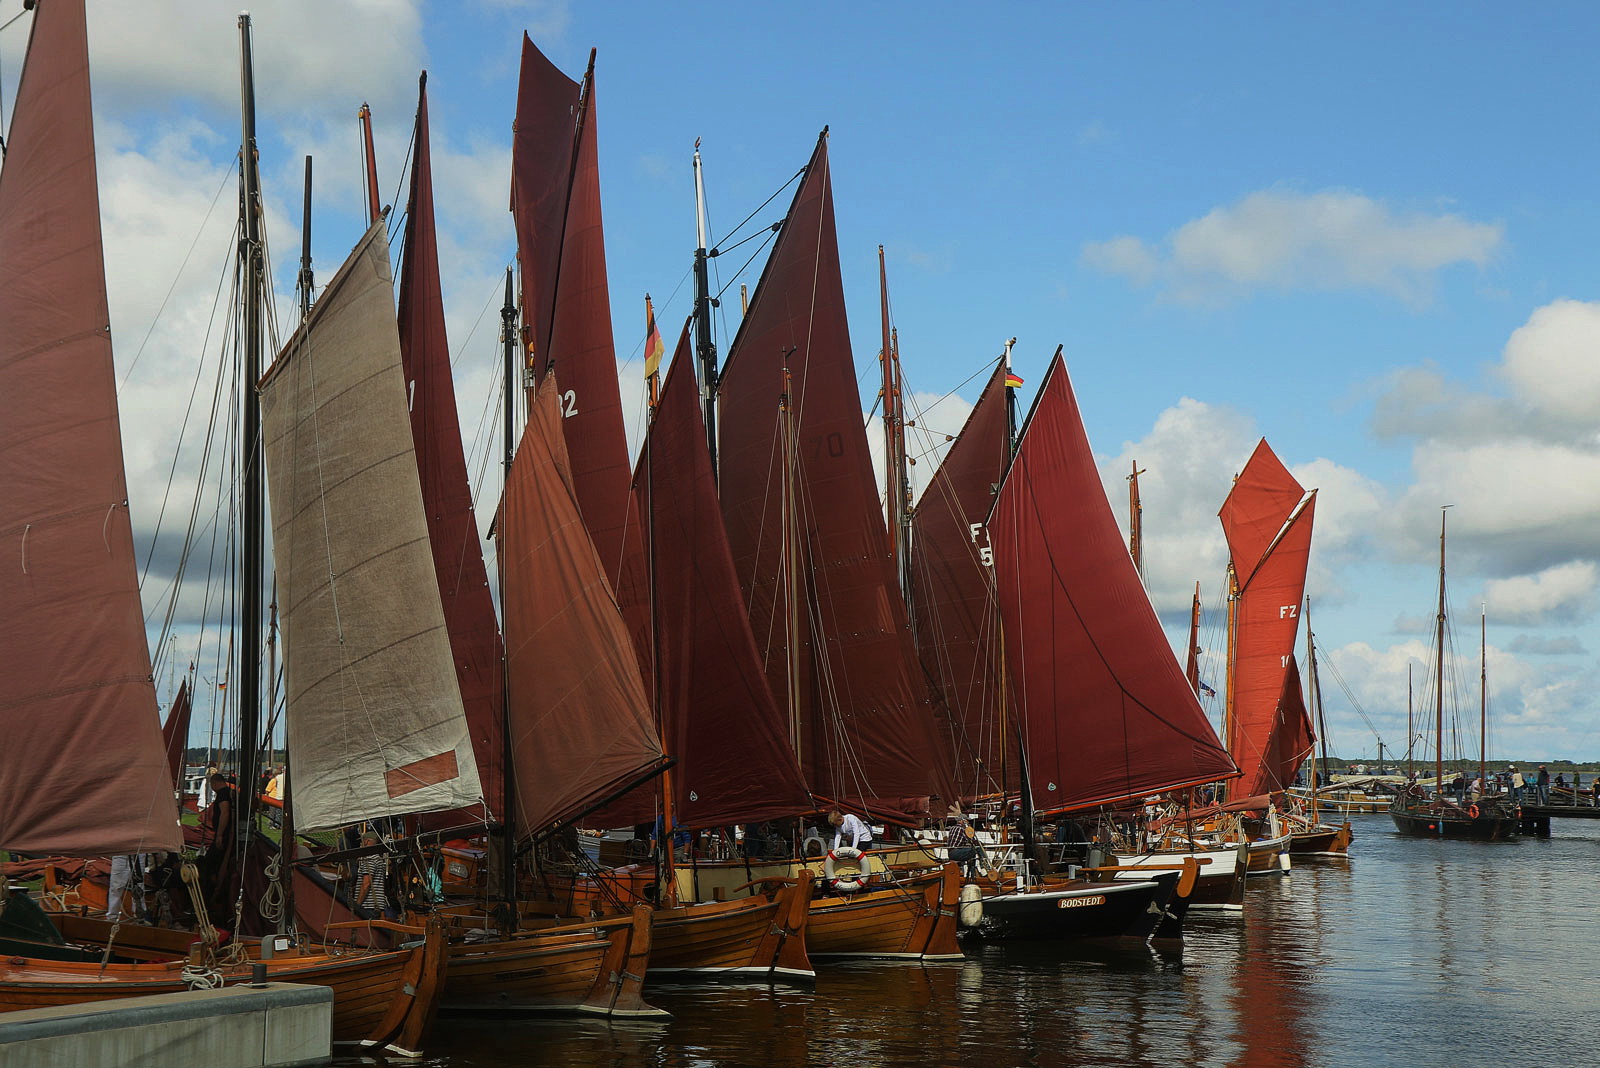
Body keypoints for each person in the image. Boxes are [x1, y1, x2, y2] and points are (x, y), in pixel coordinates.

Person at [354, 832, 390, 919]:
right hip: (377, 906)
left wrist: (357, 905)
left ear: (366, 842)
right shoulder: (379, 860)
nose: (361, 844)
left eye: (362, 842)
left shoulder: (369, 860)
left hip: (367, 907)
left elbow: (366, 884)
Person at [106, 854, 146, 923]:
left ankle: (140, 917)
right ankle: (112, 918)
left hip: (139, 853)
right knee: (116, 887)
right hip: (121, 853)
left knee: (139, 887)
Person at [943, 813, 983, 877]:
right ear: (962, 821)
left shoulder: (952, 828)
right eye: (967, 821)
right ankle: (981, 868)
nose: (968, 822)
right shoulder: (963, 829)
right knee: (977, 848)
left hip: (950, 853)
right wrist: (978, 842)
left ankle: (970, 874)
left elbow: (959, 840)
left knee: (971, 854)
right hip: (957, 853)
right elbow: (972, 840)